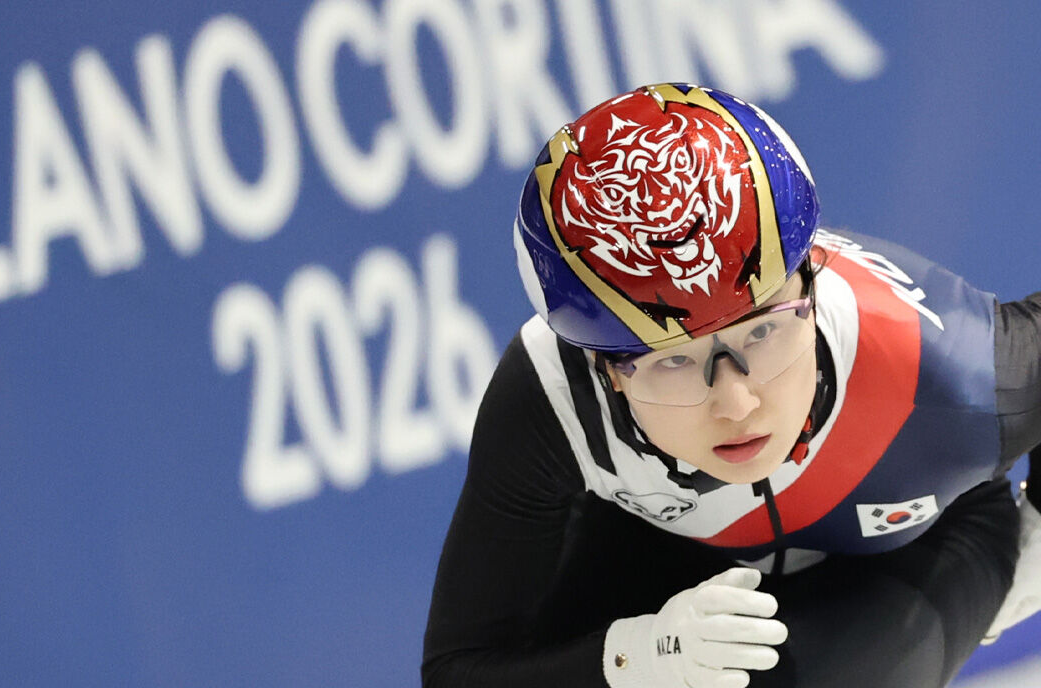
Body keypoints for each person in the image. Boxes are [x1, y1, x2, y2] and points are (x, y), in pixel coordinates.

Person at [421, 83, 1041, 688]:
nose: (738, 403)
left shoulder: (946, 370)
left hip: (918, 547)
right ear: (606, 368)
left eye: (764, 333)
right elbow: (461, 667)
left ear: (811, 288)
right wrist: (634, 659)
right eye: (673, 362)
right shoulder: (551, 402)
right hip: (658, 547)